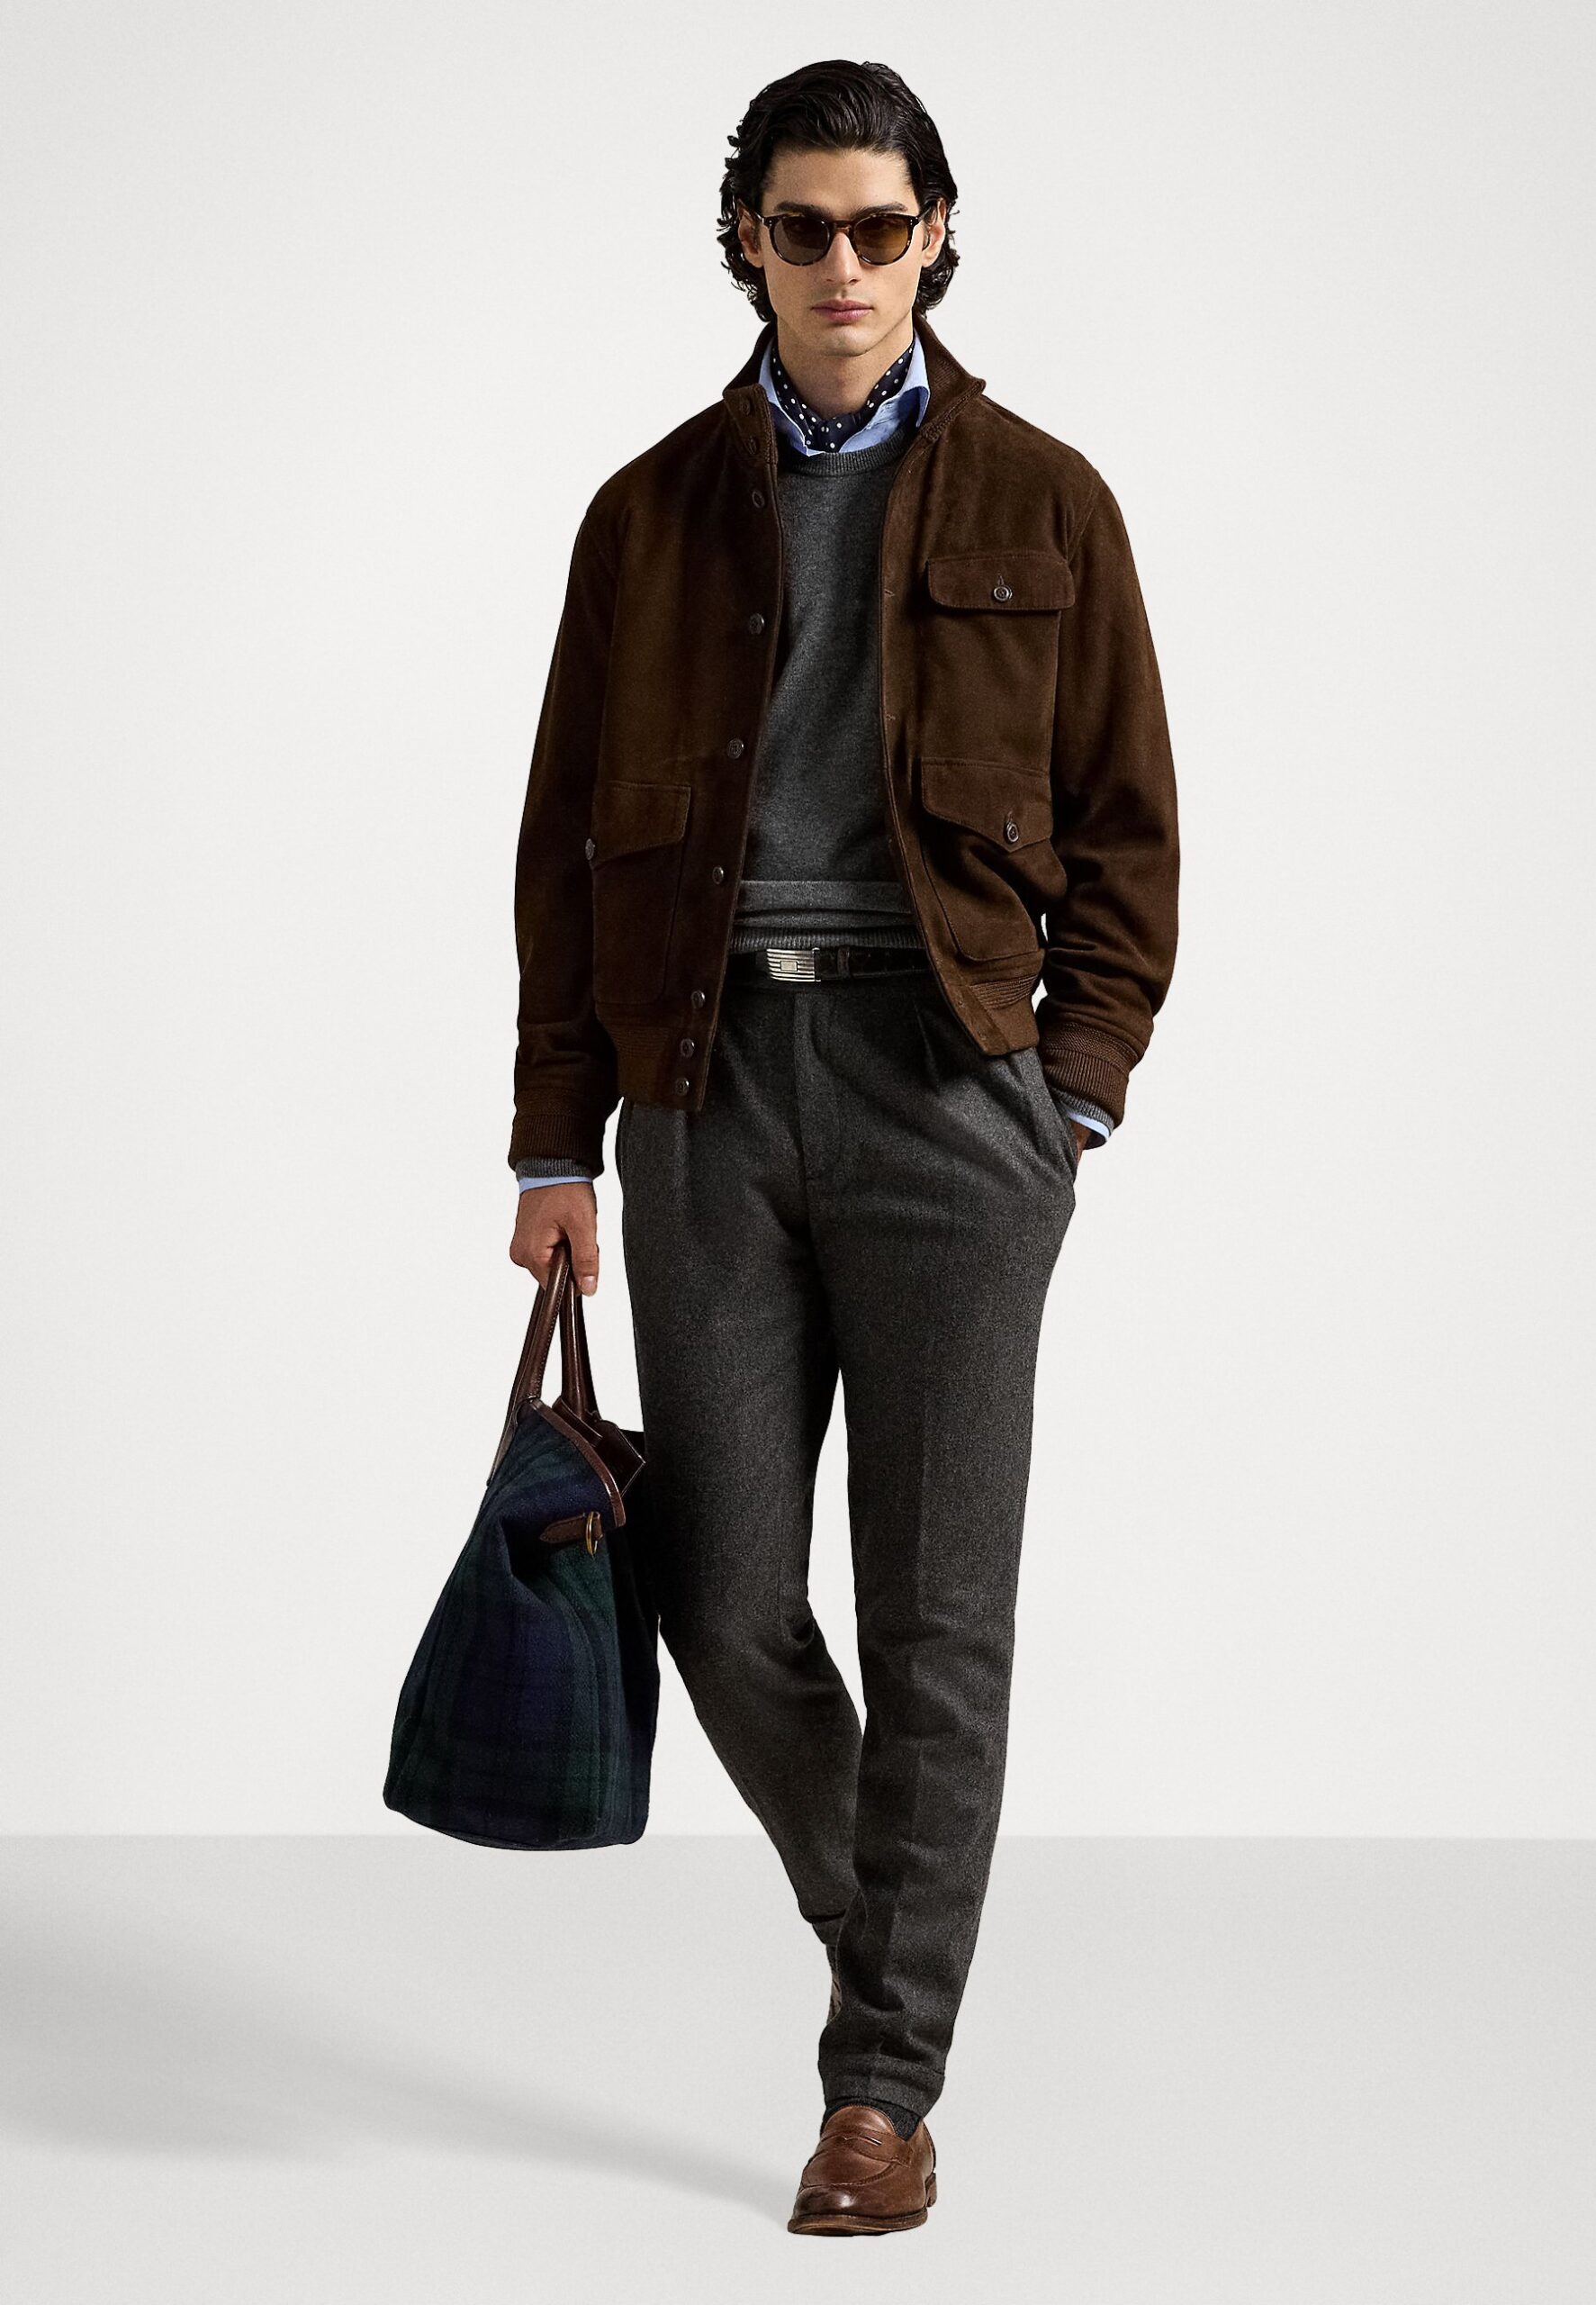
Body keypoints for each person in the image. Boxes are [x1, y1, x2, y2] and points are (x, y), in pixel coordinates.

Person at [505, 57, 1179, 2237]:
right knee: (713, 1583)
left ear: (936, 239)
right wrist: (553, 1141)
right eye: (800, 228)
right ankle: (891, 1922)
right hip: (702, 1089)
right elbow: (558, 846)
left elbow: (1130, 834)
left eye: (880, 228)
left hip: (948, 1089)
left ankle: (878, 2084)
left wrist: (1064, 1098)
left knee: (936, 1609)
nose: (841, 266)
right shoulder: (645, 515)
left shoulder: (1047, 502)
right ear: (747, 243)